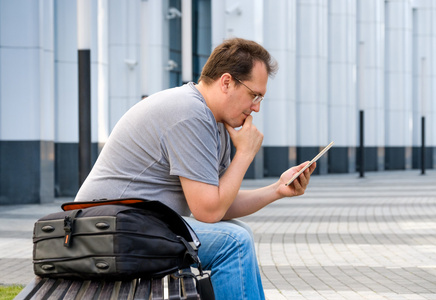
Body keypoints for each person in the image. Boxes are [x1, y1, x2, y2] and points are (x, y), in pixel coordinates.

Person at [74, 37, 316, 300]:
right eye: (254, 95)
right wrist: (245, 154)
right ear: (226, 82)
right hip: (102, 231)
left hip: (127, 227)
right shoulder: (189, 112)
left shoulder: (214, 121)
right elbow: (209, 211)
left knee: (239, 234)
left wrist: (277, 190)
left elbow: (219, 204)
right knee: (233, 243)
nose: (256, 107)